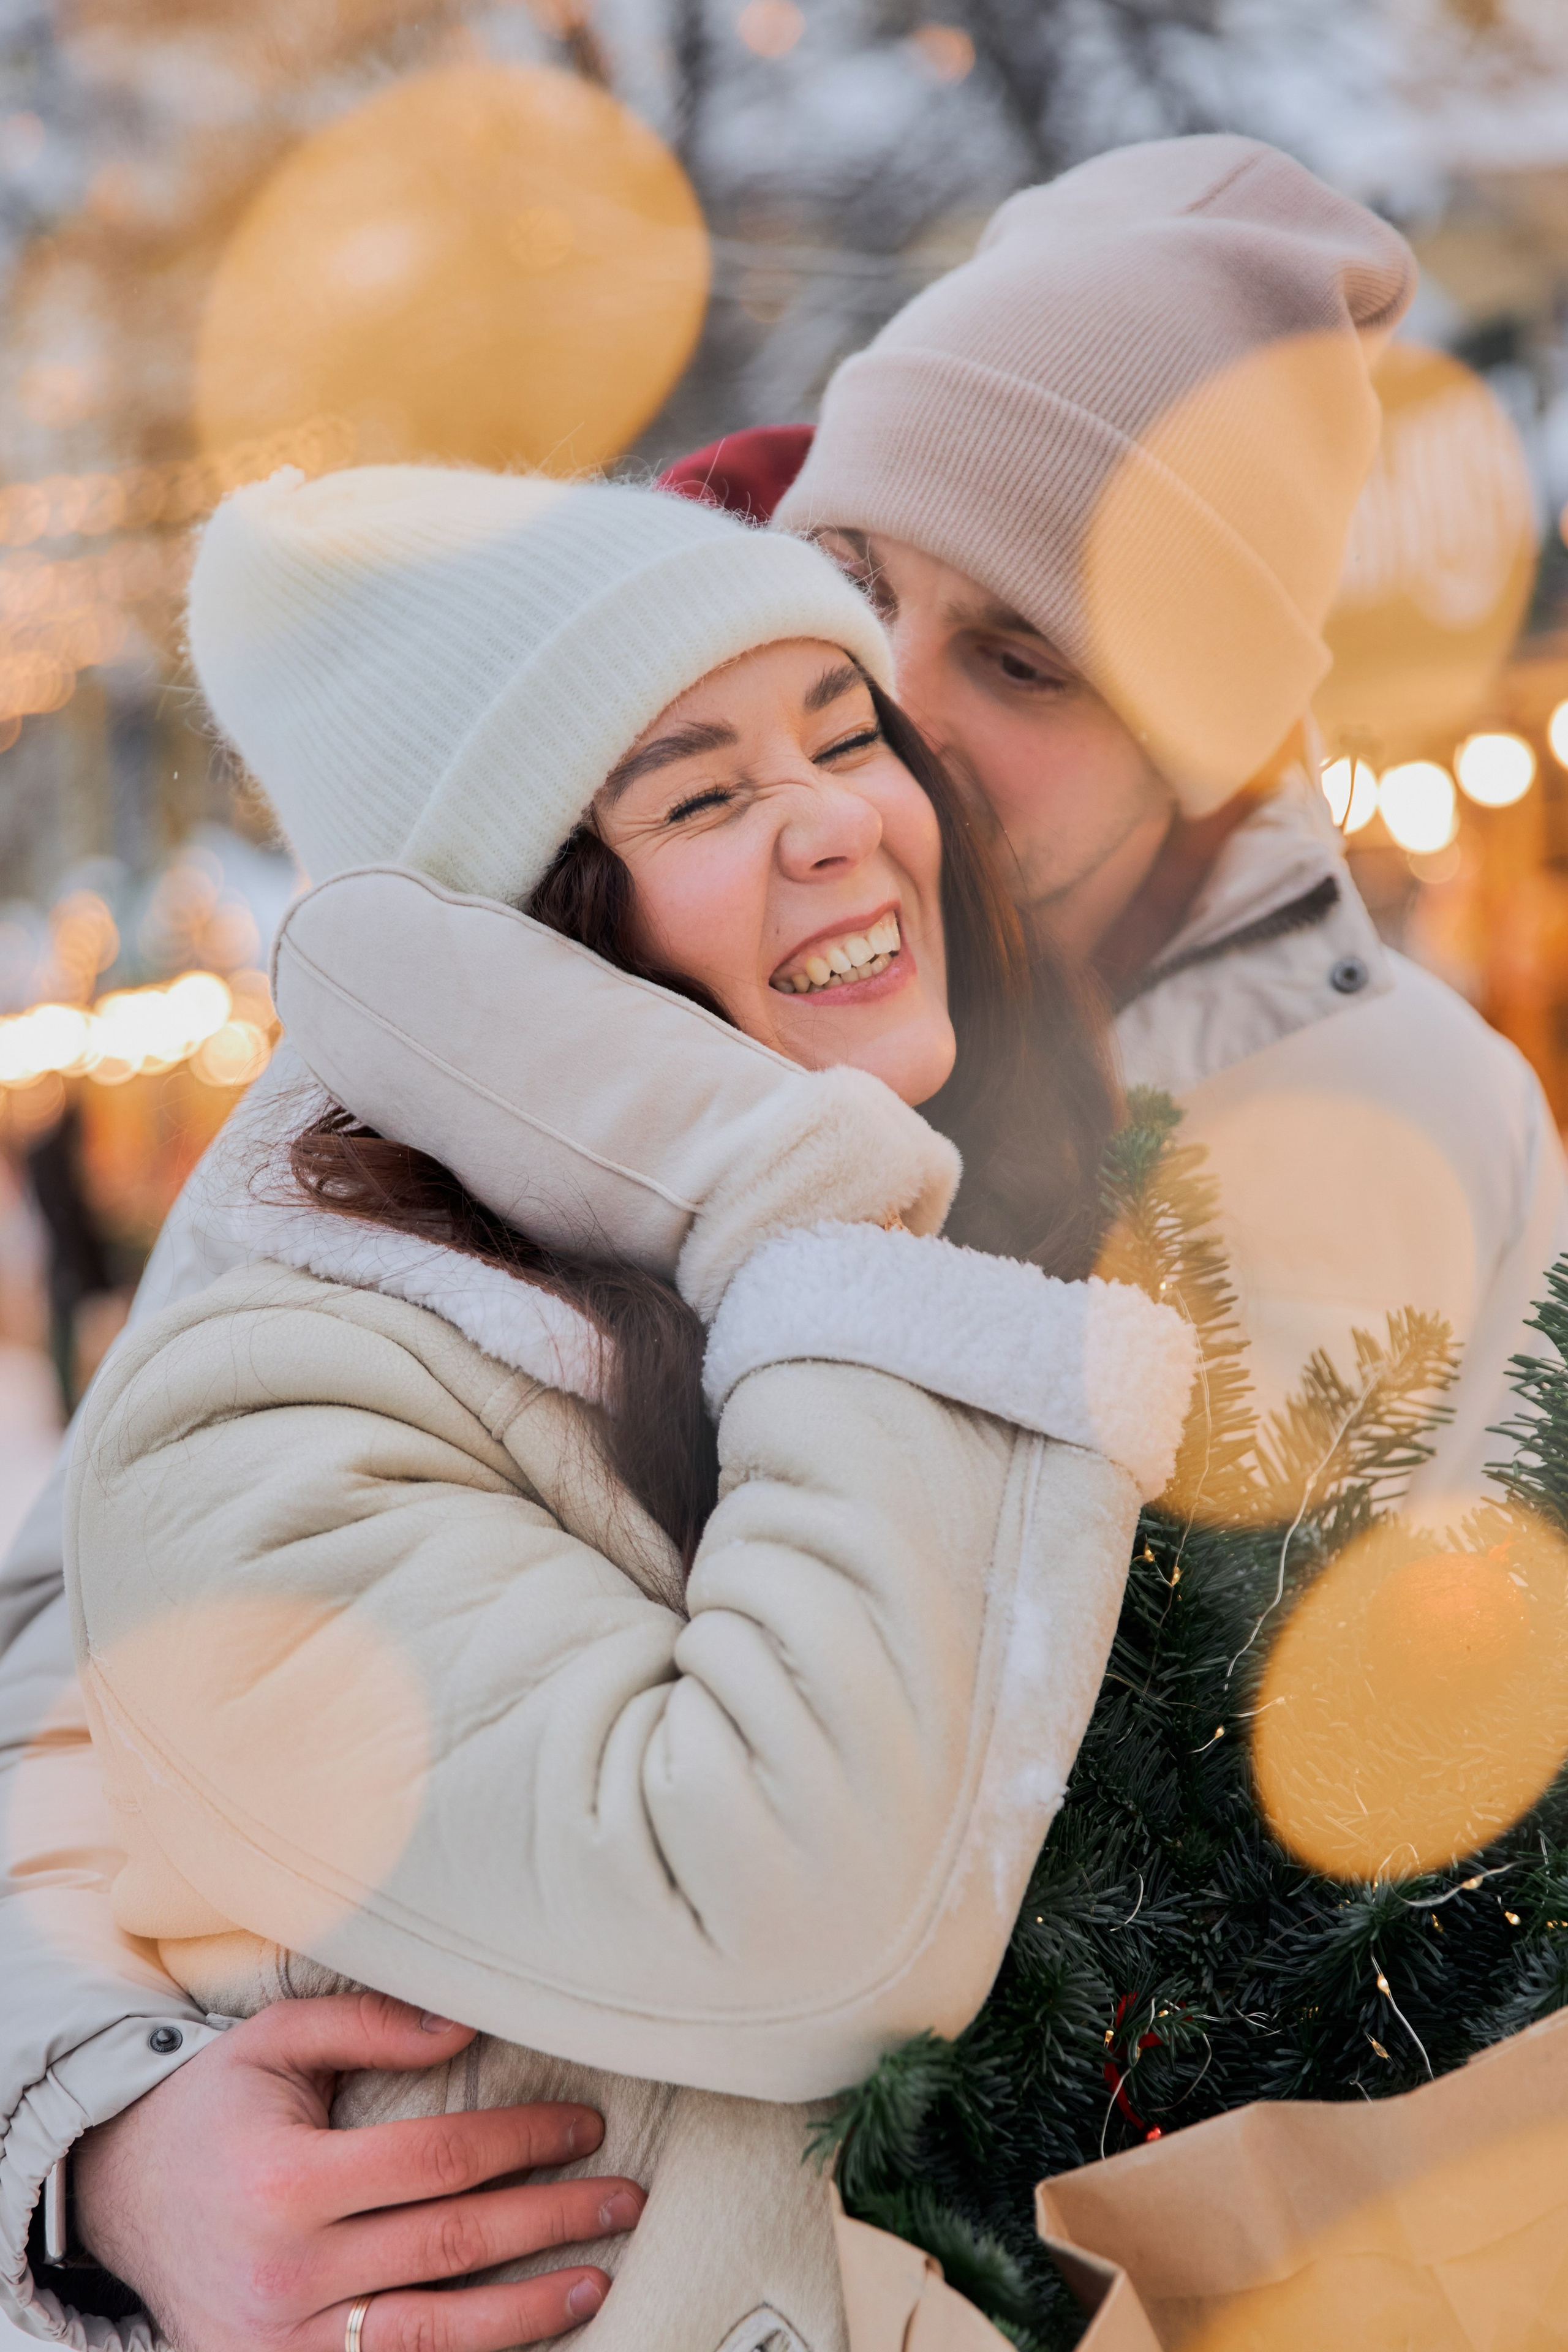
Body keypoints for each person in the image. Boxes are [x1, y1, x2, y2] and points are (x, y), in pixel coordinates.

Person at [9, 466, 1194, 2352]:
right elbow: (804, 1922)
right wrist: (86, 2146)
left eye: (843, 735)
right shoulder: (290, 1407)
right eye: (704, 794)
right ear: (506, 959)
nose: (838, 825)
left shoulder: (991, 1221)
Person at [668, 133, 1568, 1506]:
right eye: (856, 586)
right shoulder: (634, 984)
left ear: (1187, 753)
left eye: (1019, 662)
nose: (888, 711)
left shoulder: (1431, 1127)